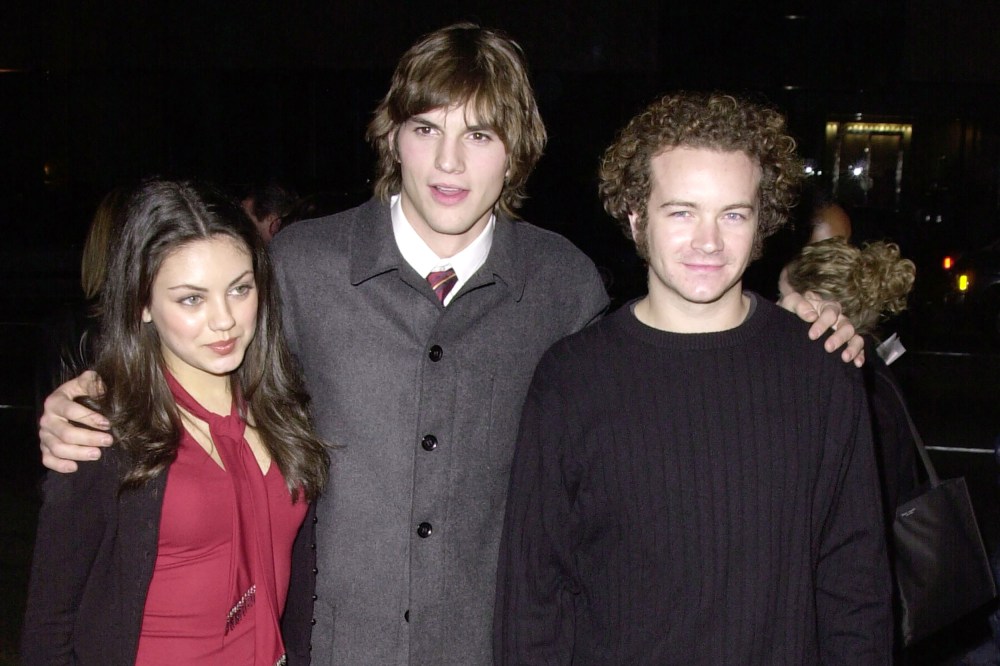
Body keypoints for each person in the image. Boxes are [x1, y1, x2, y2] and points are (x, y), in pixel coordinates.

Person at [36, 25, 863, 665]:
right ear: (391, 137)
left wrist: (802, 332)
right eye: (426, 128)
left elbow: (654, 382)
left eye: (480, 135)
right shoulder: (301, 265)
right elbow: (201, 367)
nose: (449, 161)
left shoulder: (565, 284)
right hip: (328, 650)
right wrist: (96, 397)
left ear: (517, 153)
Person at [493, 92, 892, 664]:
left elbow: (856, 591)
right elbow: (532, 602)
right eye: (681, 211)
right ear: (636, 216)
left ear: (761, 226)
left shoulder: (822, 372)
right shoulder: (571, 379)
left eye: (733, 214)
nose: (708, 241)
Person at [21, 180, 329, 665]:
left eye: (240, 289)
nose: (224, 320)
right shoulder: (102, 431)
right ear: (143, 303)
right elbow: (49, 622)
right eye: (191, 299)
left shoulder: (286, 407)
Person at [781, 237, 919, 529]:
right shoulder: (873, 367)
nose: (776, 307)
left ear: (814, 305)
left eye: (782, 296)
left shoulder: (846, 382)